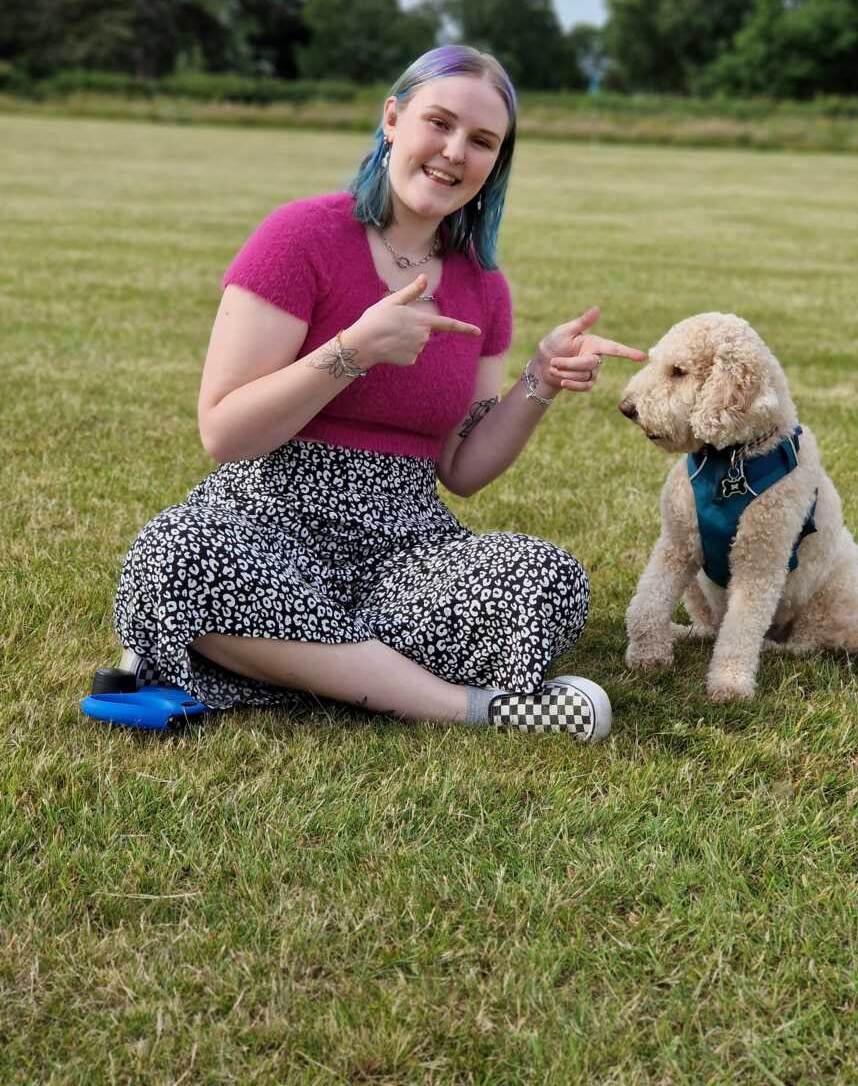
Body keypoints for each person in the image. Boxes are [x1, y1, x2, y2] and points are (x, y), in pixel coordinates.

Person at [112, 45, 645, 742]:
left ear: (497, 162)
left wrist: (538, 380)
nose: (455, 152)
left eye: (482, 141)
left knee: (546, 581)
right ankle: (465, 706)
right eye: (439, 123)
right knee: (174, 557)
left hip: (404, 546)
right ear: (393, 119)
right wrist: (355, 350)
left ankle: (272, 658)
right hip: (265, 519)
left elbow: (462, 470)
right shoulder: (300, 236)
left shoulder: (483, 286)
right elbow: (224, 433)